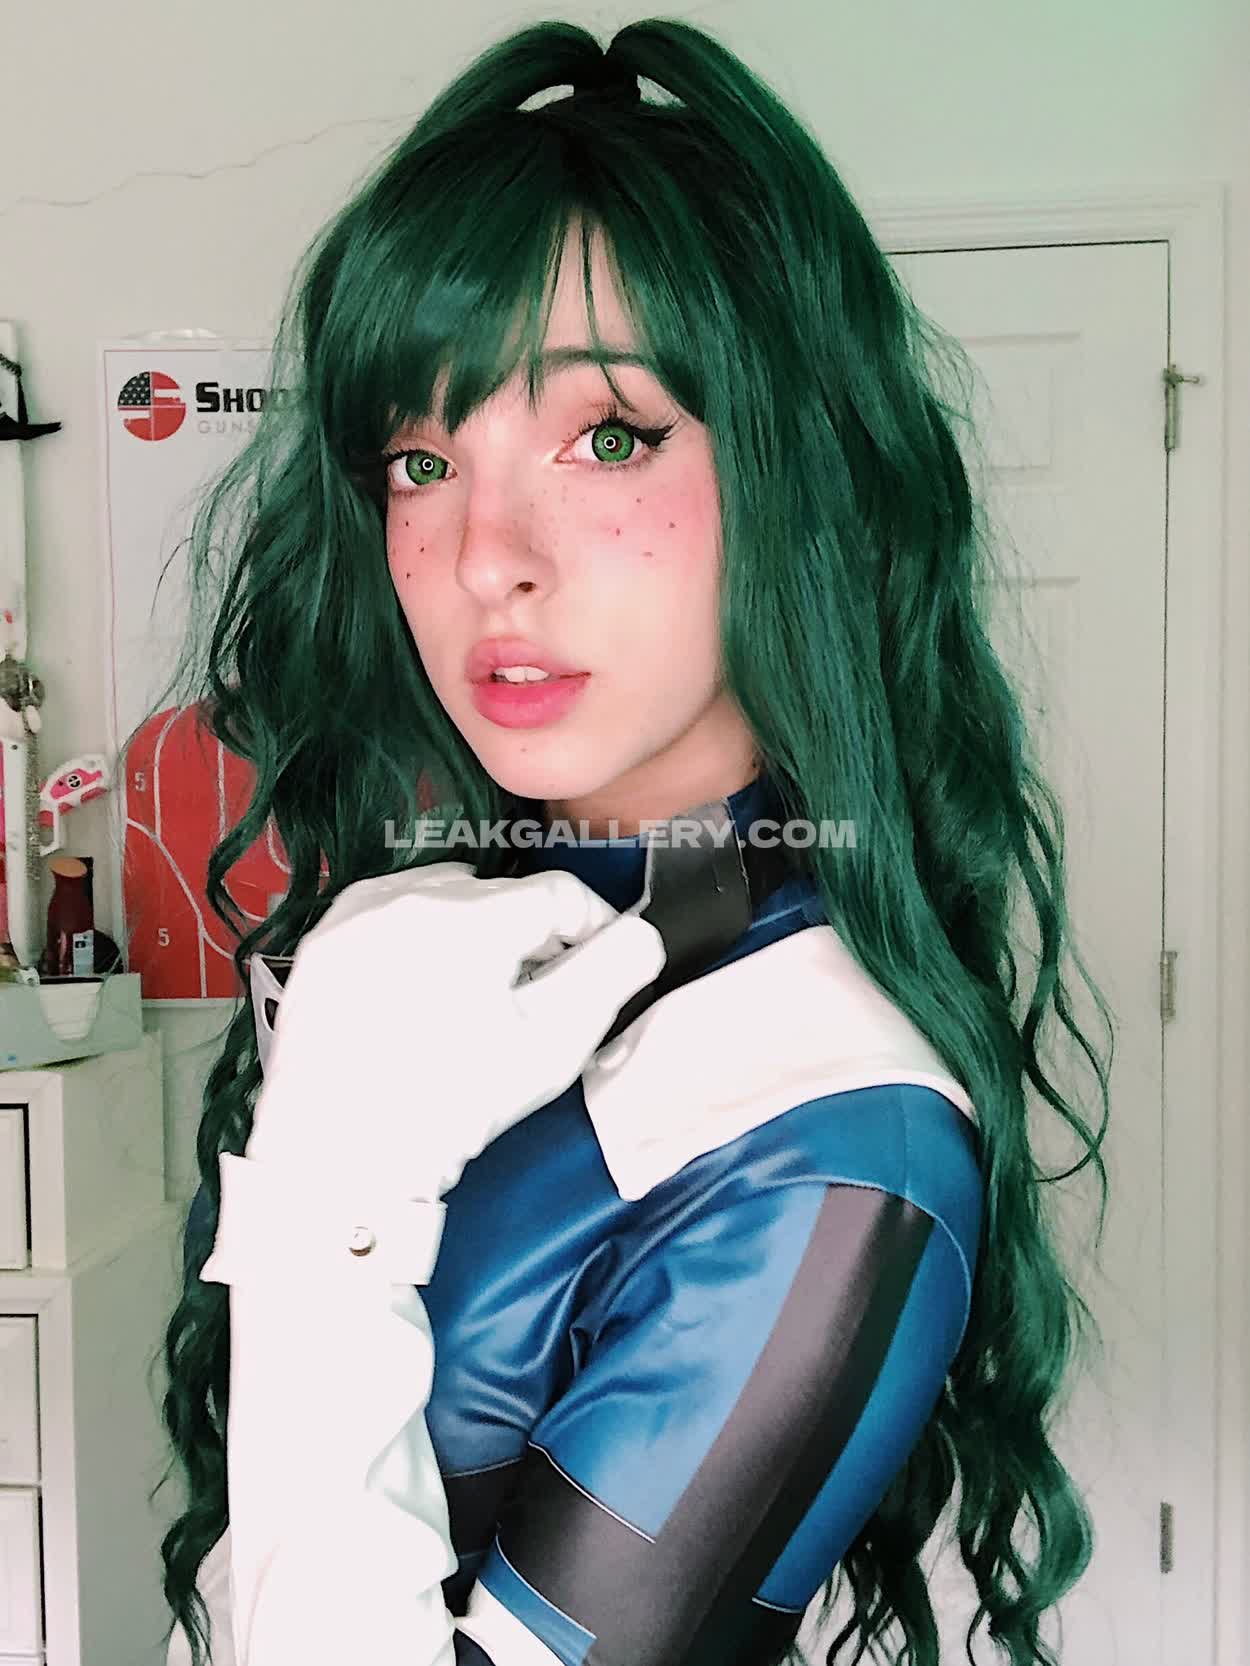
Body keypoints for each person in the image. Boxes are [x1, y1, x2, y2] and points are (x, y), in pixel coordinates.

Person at [153, 16, 1113, 1666]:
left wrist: (327, 1197)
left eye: (608, 436)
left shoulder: (832, 1145)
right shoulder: (448, 924)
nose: (484, 555)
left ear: (796, 472)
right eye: (420, 459)